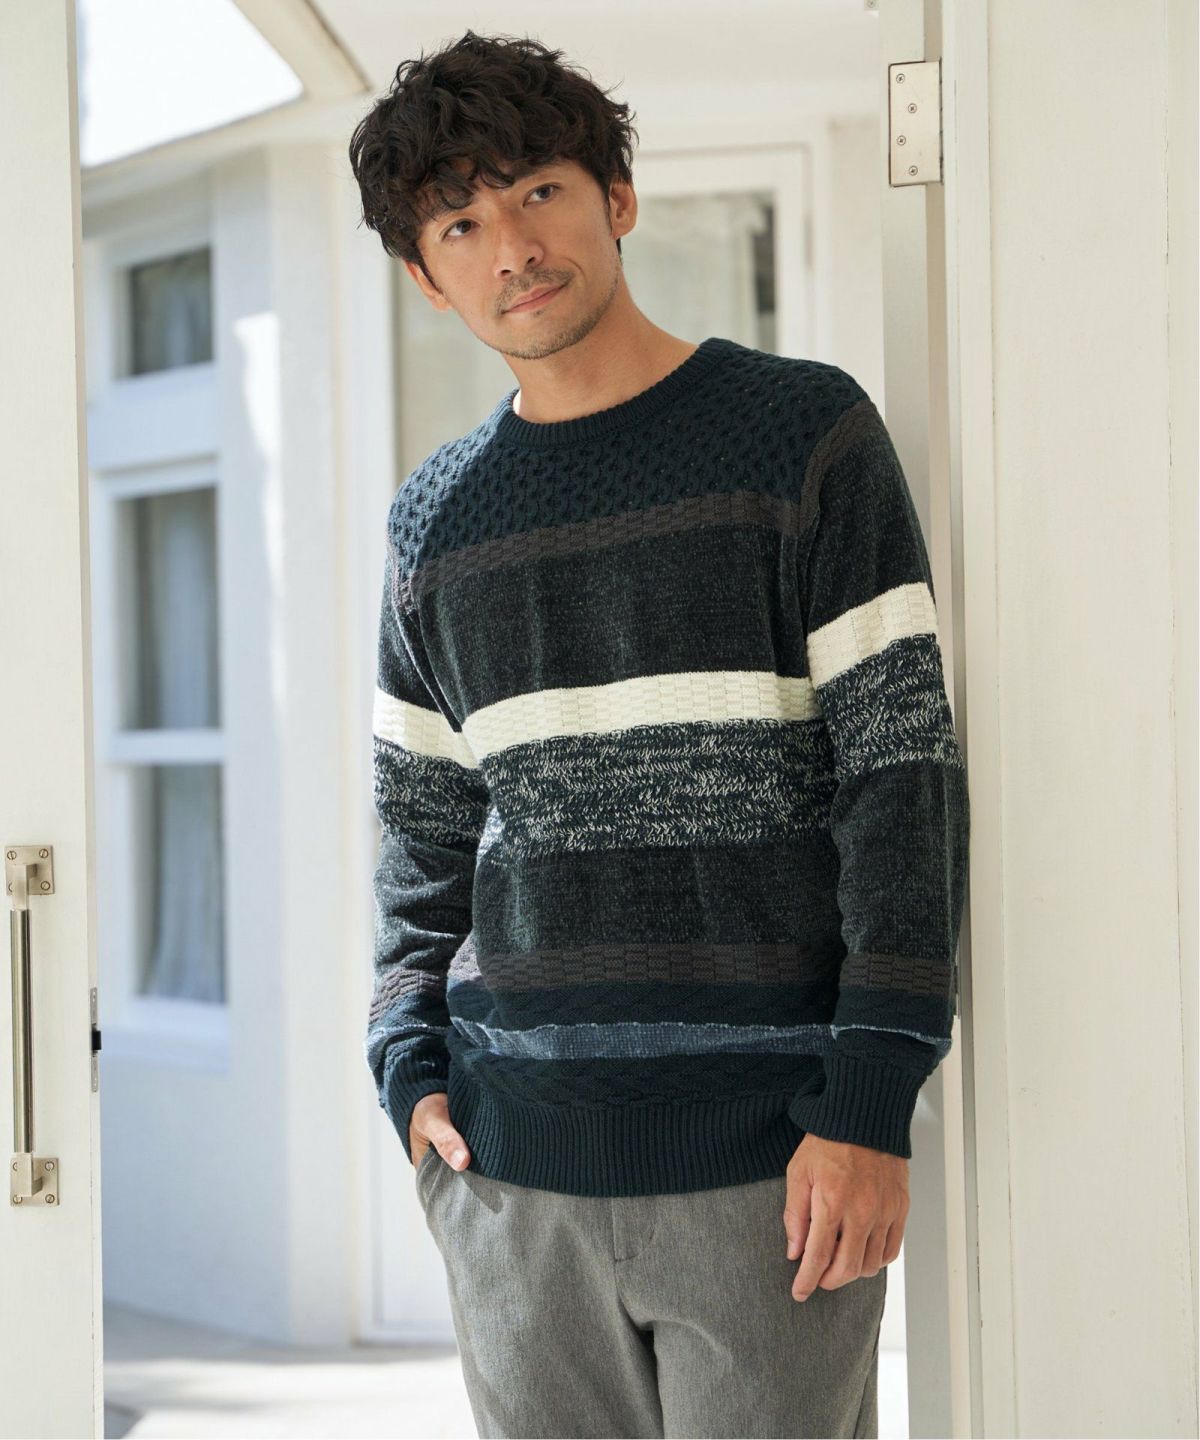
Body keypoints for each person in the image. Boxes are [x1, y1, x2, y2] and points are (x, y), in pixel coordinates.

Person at [348, 28, 969, 1440]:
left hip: (771, 1168)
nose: (513, 246)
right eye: (460, 223)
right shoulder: (433, 522)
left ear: (616, 196)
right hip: (510, 1178)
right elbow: (421, 834)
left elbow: (902, 783)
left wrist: (871, 1099)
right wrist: (406, 1061)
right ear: (426, 277)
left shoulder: (802, 437)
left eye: (539, 191)